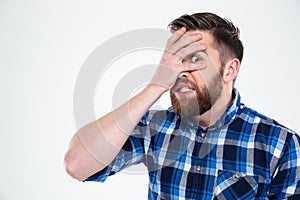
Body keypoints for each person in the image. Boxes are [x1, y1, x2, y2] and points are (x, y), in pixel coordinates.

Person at [64, 12, 300, 199]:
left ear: (229, 70)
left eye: (196, 59)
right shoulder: (154, 127)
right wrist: (155, 86)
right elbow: (77, 164)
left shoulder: (280, 143)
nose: (179, 71)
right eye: (175, 59)